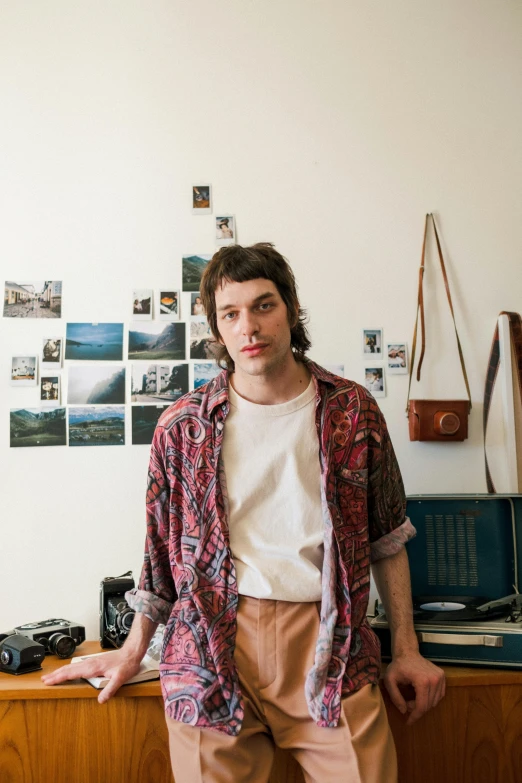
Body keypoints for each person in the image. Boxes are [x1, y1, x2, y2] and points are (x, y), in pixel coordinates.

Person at [42, 243, 445, 782]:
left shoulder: (352, 410)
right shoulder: (181, 425)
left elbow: (388, 536)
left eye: (263, 306)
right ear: (217, 327)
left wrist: (409, 650)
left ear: (291, 309)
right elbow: (159, 555)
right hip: (210, 645)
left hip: (329, 644)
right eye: (230, 314)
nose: (248, 327)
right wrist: (134, 648)